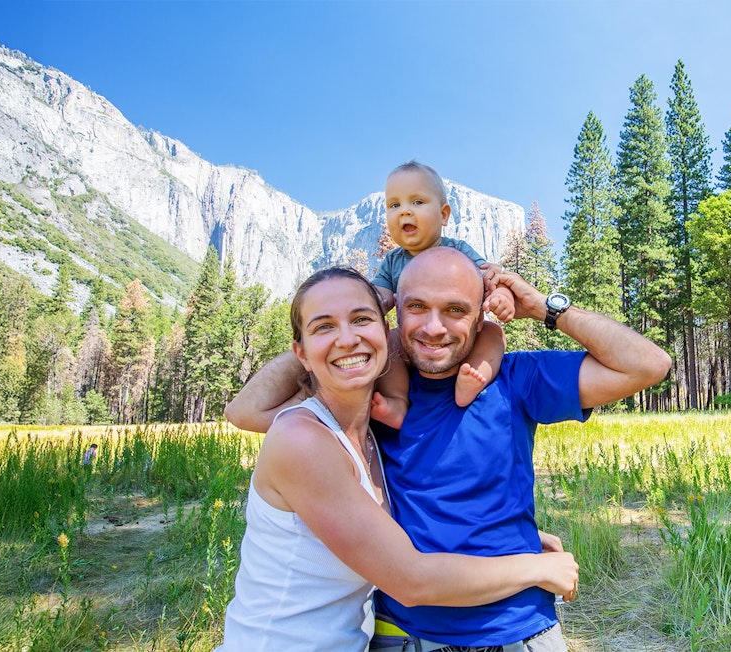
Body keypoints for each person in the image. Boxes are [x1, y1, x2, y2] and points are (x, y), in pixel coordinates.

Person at [225, 248, 672, 651]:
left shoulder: (516, 379)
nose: (434, 327)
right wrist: (360, 308)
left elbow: (649, 365)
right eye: (416, 306)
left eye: (455, 310)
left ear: (480, 318)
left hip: (519, 629)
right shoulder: (374, 400)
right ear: (395, 312)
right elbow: (246, 411)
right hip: (403, 634)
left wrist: (543, 307)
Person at [370, 161, 514, 428]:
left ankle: (474, 376)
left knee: (494, 333)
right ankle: (398, 402)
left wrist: (501, 296)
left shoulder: (458, 251)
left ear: (444, 214)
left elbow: (490, 276)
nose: (404, 212)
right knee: (388, 340)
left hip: (457, 342)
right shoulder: (392, 261)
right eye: (394, 205)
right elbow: (379, 296)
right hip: (411, 342)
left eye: (417, 202)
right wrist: (372, 305)